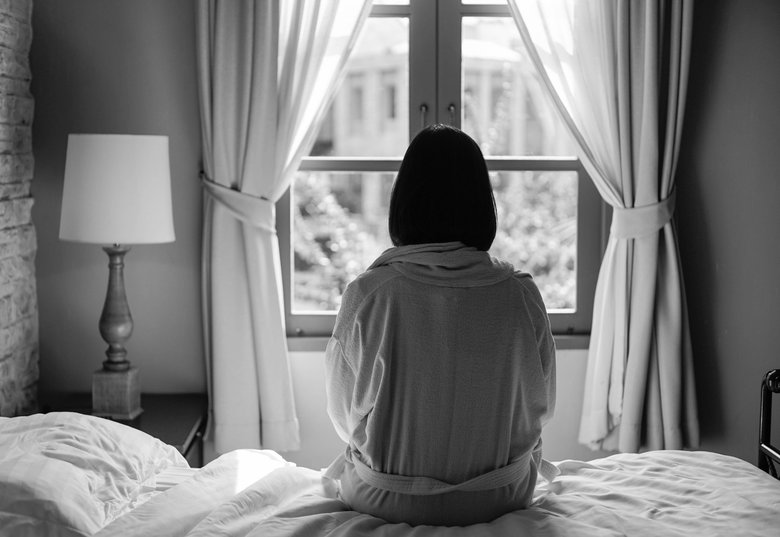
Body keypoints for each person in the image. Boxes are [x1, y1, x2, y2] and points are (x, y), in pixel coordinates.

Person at [323, 124, 556, 527]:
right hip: (501, 496)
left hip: (385, 499)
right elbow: (542, 408)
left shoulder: (371, 293)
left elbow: (343, 415)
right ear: (483, 203)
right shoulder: (519, 293)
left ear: (403, 201)